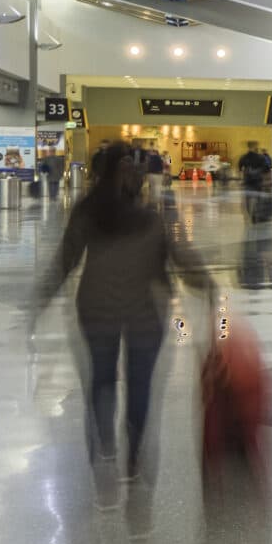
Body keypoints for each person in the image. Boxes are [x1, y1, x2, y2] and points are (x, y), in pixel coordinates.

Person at [34, 142, 215, 483]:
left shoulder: (89, 210)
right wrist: (207, 285)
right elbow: (181, 255)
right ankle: (133, 452)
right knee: (139, 382)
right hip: (145, 311)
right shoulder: (152, 214)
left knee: (102, 379)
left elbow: (65, 260)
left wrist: (40, 299)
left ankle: (104, 443)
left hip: (96, 308)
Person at [237, 141, 272, 223]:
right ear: (254, 146)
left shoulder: (244, 157)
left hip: (247, 181)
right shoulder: (260, 157)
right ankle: (255, 213)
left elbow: (240, 169)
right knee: (257, 198)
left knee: (248, 199)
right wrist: (268, 181)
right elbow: (267, 169)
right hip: (257, 181)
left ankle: (250, 213)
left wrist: (241, 179)